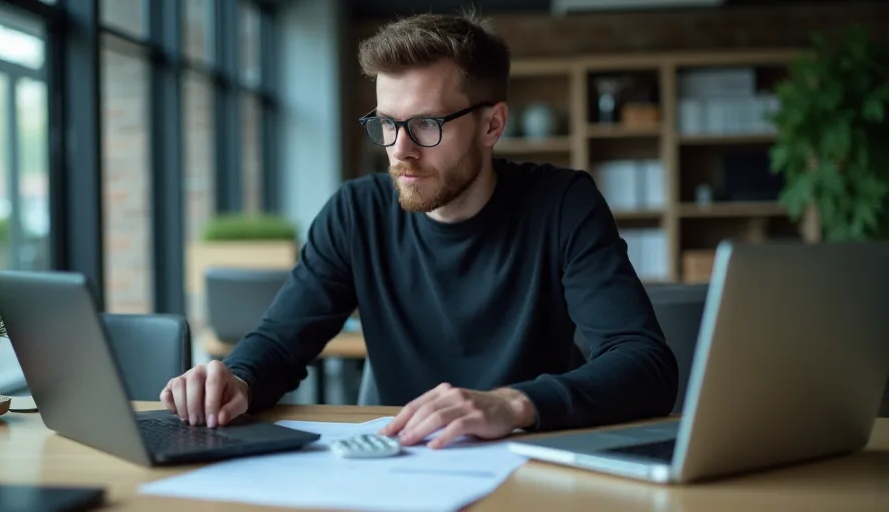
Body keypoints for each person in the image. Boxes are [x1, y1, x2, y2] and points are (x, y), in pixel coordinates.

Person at [161, 11, 678, 449]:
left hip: (529, 462)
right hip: (399, 466)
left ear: (492, 125)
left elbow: (645, 364)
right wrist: (238, 378)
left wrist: (513, 403)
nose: (399, 150)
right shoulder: (355, 212)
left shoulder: (562, 204)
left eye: (426, 125)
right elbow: (280, 342)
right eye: (386, 123)